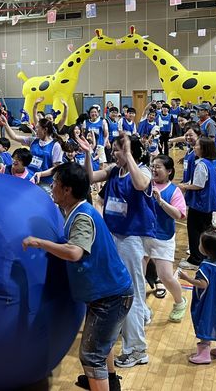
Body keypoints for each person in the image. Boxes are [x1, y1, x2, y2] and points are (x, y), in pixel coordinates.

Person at [22, 162, 133, 391]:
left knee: (91, 355)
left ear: (67, 190)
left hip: (111, 296)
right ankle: (110, 382)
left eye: (55, 184)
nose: (52, 187)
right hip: (107, 293)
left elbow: (74, 252)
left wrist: (39, 242)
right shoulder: (76, 211)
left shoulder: (82, 216)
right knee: (102, 343)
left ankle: (103, 382)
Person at [77, 133, 154, 369]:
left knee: (133, 290)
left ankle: (137, 350)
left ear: (130, 151)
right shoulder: (113, 171)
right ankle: (139, 319)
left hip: (132, 239)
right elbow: (89, 178)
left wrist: (129, 154)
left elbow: (141, 184)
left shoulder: (142, 171)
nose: (114, 152)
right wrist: (89, 153)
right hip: (114, 236)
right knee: (123, 287)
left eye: (118, 149)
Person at [178, 229, 216, 365]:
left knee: (205, 324)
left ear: (208, 249)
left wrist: (187, 278)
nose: (198, 246)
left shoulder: (206, 266)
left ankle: (204, 355)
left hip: (209, 303)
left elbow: (202, 284)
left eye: (200, 244)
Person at [146, 155, 188, 322]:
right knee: (137, 275)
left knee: (165, 276)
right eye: (153, 166)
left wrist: (160, 201)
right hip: (142, 236)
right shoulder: (145, 184)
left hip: (163, 237)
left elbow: (179, 215)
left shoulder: (174, 191)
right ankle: (141, 310)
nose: (154, 170)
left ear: (169, 171)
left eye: (158, 167)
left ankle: (179, 302)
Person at [178, 137, 216, 270]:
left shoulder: (201, 165)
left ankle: (195, 260)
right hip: (207, 204)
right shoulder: (210, 163)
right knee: (205, 231)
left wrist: (184, 187)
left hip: (200, 203)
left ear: (203, 149)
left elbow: (198, 185)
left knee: (194, 231)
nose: (194, 147)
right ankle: (206, 256)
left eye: (197, 146)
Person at [0, 116, 64, 191]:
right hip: (30, 179)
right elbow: (14, 137)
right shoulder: (33, 141)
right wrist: (6, 124)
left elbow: (56, 168)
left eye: (37, 128)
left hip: (45, 183)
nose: (35, 130)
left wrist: (41, 174)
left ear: (45, 130)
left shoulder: (55, 146)